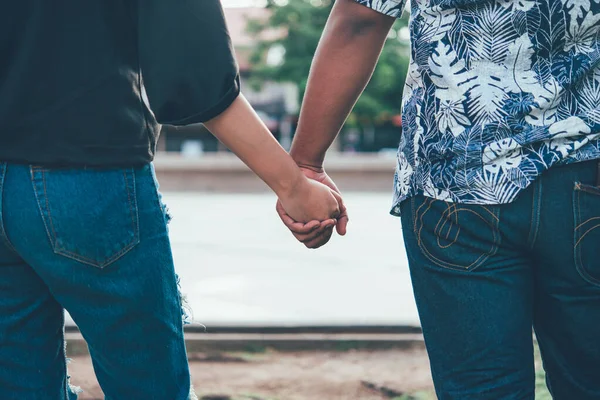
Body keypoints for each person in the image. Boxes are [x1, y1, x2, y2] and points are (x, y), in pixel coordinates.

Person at [0, 1, 342, 399]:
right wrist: (294, 188)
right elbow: (195, 75)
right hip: (86, 171)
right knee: (149, 387)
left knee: (19, 383)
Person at [278, 0, 600, 398]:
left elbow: (359, 20)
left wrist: (306, 165)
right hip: (584, 167)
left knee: (481, 387)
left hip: (451, 181)